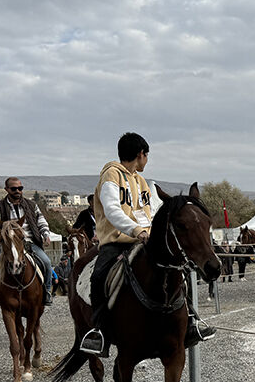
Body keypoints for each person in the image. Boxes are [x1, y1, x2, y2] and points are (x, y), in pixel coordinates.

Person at [80, 131, 214, 356]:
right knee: (99, 275)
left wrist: (150, 232)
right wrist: (137, 230)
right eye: (147, 156)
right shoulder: (111, 176)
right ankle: (99, 331)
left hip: (144, 239)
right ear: (141, 154)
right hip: (116, 241)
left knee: (175, 270)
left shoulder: (140, 181)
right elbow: (113, 210)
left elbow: (146, 213)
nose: (147, 160)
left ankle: (191, 319)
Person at [0, 177, 54, 309]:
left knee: (47, 263)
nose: (17, 191)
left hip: (28, 241)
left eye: (20, 188)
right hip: (5, 243)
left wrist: (46, 234)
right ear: (7, 189)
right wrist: (2, 235)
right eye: (14, 189)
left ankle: (47, 292)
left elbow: (41, 221)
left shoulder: (32, 205)